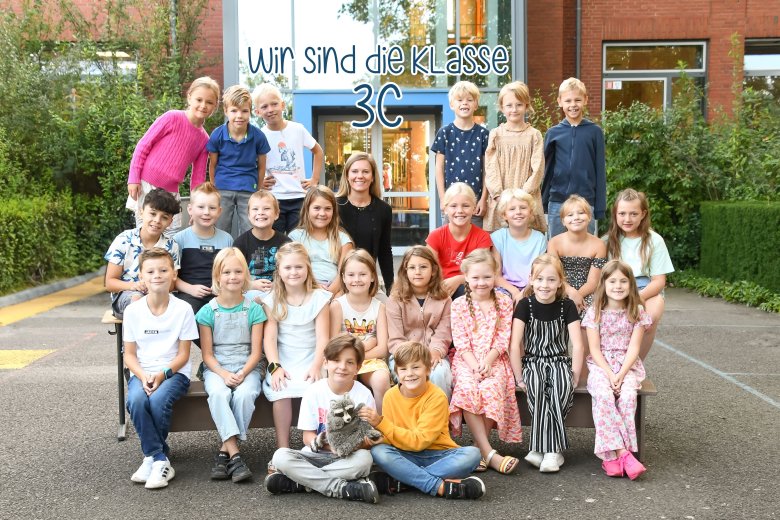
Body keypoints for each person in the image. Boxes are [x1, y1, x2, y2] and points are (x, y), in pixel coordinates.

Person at [361, 341, 485, 500]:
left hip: (438, 453)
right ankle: (439, 486)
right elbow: (390, 437)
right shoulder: (390, 396)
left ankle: (404, 480)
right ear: (397, 373)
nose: (410, 373)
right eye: (403, 369)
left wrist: (380, 423)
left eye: (416, 367)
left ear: (428, 369)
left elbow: (420, 441)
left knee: (472, 454)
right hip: (404, 453)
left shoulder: (437, 397)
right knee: (379, 452)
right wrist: (375, 440)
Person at [265, 334, 380, 504]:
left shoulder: (364, 394)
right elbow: (307, 437)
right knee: (280, 456)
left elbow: (365, 439)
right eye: (336, 360)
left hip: (347, 457)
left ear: (358, 367)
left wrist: (360, 443)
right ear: (326, 362)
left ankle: (299, 482)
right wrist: (330, 446)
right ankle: (341, 488)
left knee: (365, 460)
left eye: (349, 362)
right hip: (315, 455)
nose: (342, 367)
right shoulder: (314, 391)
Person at [123, 248, 198, 489]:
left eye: (164, 270)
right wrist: (143, 375)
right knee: (135, 399)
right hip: (142, 371)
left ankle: (152, 458)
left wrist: (162, 374)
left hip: (174, 372)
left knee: (157, 401)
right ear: (142, 277)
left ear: (174, 274)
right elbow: (130, 355)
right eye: (151, 271)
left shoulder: (183, 309)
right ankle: (158, 457)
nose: (157, 275)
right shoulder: (133, 311)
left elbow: (184, 354)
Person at [509, 254, 585, 473]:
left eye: (551, 280)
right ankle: (553, 452)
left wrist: (575, 373)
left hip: (559, 359)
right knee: (536, 388)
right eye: (540, 279)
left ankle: (540, 449)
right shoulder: (525, 305)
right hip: (532, 360)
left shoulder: (567, 306)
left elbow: (578, 346)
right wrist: (519, 377)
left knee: (561, 388)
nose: (545, 285)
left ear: (560, 281)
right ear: (531, 279)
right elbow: (515, 345)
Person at [196, 248, 265, 483]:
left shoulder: (254, 309)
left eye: (238, 271)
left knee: (245, 394)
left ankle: (224, 452)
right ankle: (235, 455)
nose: (232, 277)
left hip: (249, 366)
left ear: (245, 275)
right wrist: (224, 373)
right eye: (227, 272)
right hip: (218, 367)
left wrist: (243, 372)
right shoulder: (208, 311)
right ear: (217, 276)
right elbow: (207, 355)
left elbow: (256, 352)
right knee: (218, 393)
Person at [449, 249, 521, 474]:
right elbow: (461, 343)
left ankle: (479, 451)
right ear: (466, 278)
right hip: (467, 360)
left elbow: (502, 338)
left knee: (491, 388)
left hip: (494, 358)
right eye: (476, 277)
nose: (481, 282)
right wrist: (474, 366)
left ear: (495, 276)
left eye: (487, 277)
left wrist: (488, 362)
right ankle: (490, 454)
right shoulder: (459, 304)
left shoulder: (503, 301)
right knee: (468, 389)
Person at [582, 260, 651, 480]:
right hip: (601, 366)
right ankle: (622, 454)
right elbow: (594, 348)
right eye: (612, 281)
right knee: (603, 394)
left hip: (627, 366)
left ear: (631, 285)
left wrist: (621, 374)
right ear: (604, 284)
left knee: (628, 396)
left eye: (623, 281)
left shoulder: (637, 311)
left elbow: (634, 347)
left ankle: (613, 456)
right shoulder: (595, 312)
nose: (618, 286)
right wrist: (610, 374)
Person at [127, 76, 220, 235]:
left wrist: (195, 205)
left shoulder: (205, 140)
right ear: (189, 97)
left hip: (171, 192)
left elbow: (197, 178)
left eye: (209, 102)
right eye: (199, 99)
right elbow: (143, 146)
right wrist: (133, 178)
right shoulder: (172, 118)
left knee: (171, 234)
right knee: (144, 233)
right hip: (146, 184)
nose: (203, 105)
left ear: (215, 106)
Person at [261, 243, 331, 449]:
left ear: (308, 268)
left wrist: (317, 366)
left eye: (299, 267)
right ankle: (282, 447)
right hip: (284, 358)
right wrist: (275, 367)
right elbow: (270, 339)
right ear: (279, 271)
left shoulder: (319, 298)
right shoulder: (273, 299)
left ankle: (318, 445)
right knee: (282, 390)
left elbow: (323, 338)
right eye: (288, 268)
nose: (293, 272)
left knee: (318, 388)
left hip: (313, 357)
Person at [605, 189, 674, 360]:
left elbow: (659, 281)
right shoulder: (608, 241)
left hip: (645, 288)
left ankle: (636, 365)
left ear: (643, 214)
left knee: (647, 319)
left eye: (633, 214)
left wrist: (637, 298)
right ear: (615, 213)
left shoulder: (654, 240)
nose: (627, 219)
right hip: (616, 287)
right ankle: (611, 363)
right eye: (622, 213)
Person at [253, 83, 324, 233]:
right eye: (264, 107)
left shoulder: (297, 129)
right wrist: (258, 181)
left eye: (274, 104)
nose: (270, 109)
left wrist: (314, 180)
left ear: (283, 105)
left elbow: (318, 151)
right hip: (273, 198)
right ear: (257, 112)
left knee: (297, 240)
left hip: (299, 196)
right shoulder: (259, 136)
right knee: (276, 241)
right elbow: (249, 162)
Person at [386, 246, 454, 401]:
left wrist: (435, 351)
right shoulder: (396, 299)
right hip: (403, 356)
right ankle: (414, 418)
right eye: (412, 267)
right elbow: (396, 338)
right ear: (405, 271)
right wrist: (414, 359)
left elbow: (443, 333)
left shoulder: (444, 299)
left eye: (423, 267)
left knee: (440, 374)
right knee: (412, 376)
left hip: (434, 354)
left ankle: (441, 419)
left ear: (434, 270)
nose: (417, 271)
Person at [542, 77, 606, 238]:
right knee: (556, 250)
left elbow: (600, 170)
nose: (573, 105)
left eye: (577, 100)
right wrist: (543, 204)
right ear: (559, 102)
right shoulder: (553, 133)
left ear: (585, 100)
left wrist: (599, 207)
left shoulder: (594, 132)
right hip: (557, 202)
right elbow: (547, 169)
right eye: (568, 100)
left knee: (585, 249)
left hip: (586, 203)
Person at [330, 249, 391, 413]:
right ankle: (348, 427)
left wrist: (360, 354)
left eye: (362, 274)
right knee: (345, 377)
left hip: (371, 360)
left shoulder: (379, 307)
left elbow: (383, 348)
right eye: (351, 275)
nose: (356, 280)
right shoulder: (337, 306)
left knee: (381, 378)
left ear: (372, 276)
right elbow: (334, 345)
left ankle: (381, 425)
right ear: (343, 277)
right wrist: (366, 345)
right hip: (344, 360)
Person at [105, 189, 181, 319]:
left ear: (170, 222)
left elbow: (172, 283)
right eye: (152, 214)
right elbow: (110, 283)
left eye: (164, 217)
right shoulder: (124, 240)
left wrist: (153, 287)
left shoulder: (171, 246)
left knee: (180, 308)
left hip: (159, 293)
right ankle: (133, 339)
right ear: (141, 212)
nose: (157, 220)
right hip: (127, 294)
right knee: (138, 302)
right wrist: (134, 286)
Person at [483, 81, 546, 233]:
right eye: (509, 105)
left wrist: (522, 198)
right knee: (498, 245)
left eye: (519, 104)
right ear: (502, 107)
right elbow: (490, 167)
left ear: (526, 105)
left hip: (527, 198)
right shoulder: (496, 134)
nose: (514, 109)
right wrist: (499, 196)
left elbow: (537, 169)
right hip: (500, 199)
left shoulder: (534, 135)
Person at [207, 85, 270, 236]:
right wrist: (213, 187)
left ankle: (247, 258)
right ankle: (221, 258)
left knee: (250, 228)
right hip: (223, 187)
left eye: (244, 111)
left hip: (248, 187)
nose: (239, 115)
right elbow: (212, 164)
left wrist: (258, 189)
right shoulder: (217, 135)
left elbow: (261, 166)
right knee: (220, 228)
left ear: (250, 112)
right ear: (226, 111)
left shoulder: (258, 136)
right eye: (234, 110)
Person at [432, 81, 490, 226]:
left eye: (470, 100)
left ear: (476, 104)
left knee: (475, 246)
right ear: (452, 104)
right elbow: (438, 168)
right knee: (449, 243)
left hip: (475, 203)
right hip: (451, 202)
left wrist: (484, 199)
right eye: (460, 100)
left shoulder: (484, 134)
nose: (465, 103)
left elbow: (488, 170)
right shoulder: (444, 133)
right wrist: (442, 198)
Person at [336, 152, 394, 293]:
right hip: (337, 281)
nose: (360, 176)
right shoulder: (334, 206)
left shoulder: (383, 209)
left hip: (366, 281)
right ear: (347, 175)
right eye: (355, 171)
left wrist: (390, 288)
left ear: (373, 177)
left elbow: (384, 251)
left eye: (366, 171)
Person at [173, 182, 233, 318]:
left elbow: (230, 271)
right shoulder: (179, 239)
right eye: (201, 207)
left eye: (212, 208)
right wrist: (190, 289)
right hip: (188, 295)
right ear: (190, 209)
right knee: (189, 314)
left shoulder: (227, 239)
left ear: (219, 211)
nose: (206, 212)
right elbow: (171, 276)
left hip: (220, 294)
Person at [426, 183, 493, 299]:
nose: (460, 211)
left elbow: (482, 271)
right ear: (445, 209)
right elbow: (428, 268)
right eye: (453, 206)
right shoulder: (435, 236)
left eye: (466, 206)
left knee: (465, 291)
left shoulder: (482, 237)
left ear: (474, 208)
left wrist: (458, 280)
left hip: (471, 287)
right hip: (440, 286)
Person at [547, 195, 608, 314]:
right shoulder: (554, 242)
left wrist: (578, 295)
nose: (576, 217)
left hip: (588, 290)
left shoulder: (599, 245)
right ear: (563, 221)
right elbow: (554, 274)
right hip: (560, 287)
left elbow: (593, 282)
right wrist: (571, 293)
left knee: (591, 311)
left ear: (589, 217)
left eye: (581, 213)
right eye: (570, 215)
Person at [289, 186, 354, 295]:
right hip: (304, 288)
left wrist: (330, 293)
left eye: (328, 208)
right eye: (317, 208)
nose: (322, 213)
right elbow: (292, 269)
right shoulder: (295, 237)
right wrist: (315, 288)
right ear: (307, 209)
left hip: (336, 290)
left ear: (334, 211)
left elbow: (345, 272)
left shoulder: (343, 239)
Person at [232, 189, 292, 303]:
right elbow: (234, 274)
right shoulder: (240, 243)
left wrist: (278, 285)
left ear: (276, 214)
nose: (260, 212)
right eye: (255, 209)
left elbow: (291, 270)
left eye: (267, 208)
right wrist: (250, 284)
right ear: (248, 215)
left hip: (279, 291)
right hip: (249, 292)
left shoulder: (286, 243)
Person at [491, 189, 548, 302]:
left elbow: (540, 272)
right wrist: (514, 292)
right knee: (502, 302)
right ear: (504, 215)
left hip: (533, 287)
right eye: (512, 209)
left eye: (523, 208)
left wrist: (524, 293)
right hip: (505, 287)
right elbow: (496, 276)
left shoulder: (539, 239)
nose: (518, 212)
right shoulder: (497, 238)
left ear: (531, 212)